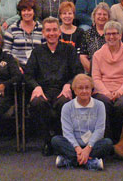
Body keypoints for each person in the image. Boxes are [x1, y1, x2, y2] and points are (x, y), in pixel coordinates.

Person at [25, 17, 84, 156]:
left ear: (59, 32)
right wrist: (36, 87)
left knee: (65, 103)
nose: (51, 33)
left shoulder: (69, 49)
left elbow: (79, 72)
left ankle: (60, 140)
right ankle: (47, 140)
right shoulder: (37, 51)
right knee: (37, 103)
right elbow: (28, 75)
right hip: (43, 90)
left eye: (54, 30)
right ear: (43, 33)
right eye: (48, 30)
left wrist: (69, 85)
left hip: (62, 89)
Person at [52, 74, 112, 170]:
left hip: (92, 145)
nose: (84, 91)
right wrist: (78, 148)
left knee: (108, 143)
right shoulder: (67, 107)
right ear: (74, 90)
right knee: (56, 140)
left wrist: (88, 149)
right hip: (73, 145)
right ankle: (90, 163)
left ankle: (70, 161)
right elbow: (67, 132)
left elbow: (99, 130)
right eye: (80, 88)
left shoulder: (100, 105)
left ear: (91, 89)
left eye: (87, 88)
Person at [91, 21, 123, 141]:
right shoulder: (97, 55)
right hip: (102, 91)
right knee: (103, 104)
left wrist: (119, 92)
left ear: (120, 35)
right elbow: (95, 78)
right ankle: (107, 141)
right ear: (104, 36)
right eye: (108, 34)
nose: (111, 37)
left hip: (122, 90)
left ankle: (119, 140)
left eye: (115, 34)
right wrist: (106, 92)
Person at [2, 0, 44, 69]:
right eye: (24, 10)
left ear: (34, 12)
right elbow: (6, 51)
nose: (26, 13)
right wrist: (15, 66)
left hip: (37, 68)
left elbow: (45, 51)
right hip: (17, 67)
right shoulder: (12, 28)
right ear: (20, 12)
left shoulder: (41, 29)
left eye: (29, 10)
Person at [79, 3, 111, 73]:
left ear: (108, 18)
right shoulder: (87, 34)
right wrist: (93, 72)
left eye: (105, 14)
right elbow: (83, 56)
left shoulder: (113, 34)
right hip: (91, 71)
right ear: (94, 16)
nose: (102, 16)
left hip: (111, 71)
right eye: (99, 14)